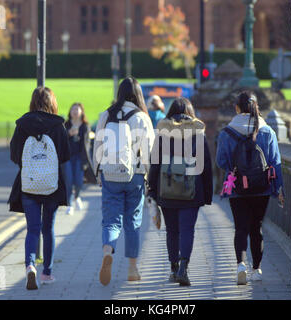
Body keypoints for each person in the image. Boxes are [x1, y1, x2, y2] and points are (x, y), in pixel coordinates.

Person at [216, 91, 285, 285]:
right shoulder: (267, 131)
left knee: (240, 228)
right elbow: (275, 162)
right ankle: (257, 269)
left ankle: (240, 265)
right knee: (256, 228)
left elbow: (221, 161)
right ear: (256, 108)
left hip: (237, 187)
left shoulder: (226, 132)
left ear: (237, 108)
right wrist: (279, 189)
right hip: (261, 187)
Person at [93, 77, 155, 286]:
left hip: (110, 174)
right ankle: (132, 268)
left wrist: (97, 172)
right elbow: (149, 152)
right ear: (137, 94)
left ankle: (108, 251)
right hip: (135, 175)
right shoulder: (142, 118)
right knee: (133, 222)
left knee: (111, 220)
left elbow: (98, 146)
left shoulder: (106, 115)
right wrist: (149, 177)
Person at [8, 87, 70, 290]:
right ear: (52, 101)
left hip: (29, 185)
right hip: (51, 185)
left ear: (33, 101)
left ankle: (30, 266)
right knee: (48, 228)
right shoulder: (58, 125)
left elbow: (15, 155)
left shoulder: (22, 125)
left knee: (32, 229)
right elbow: (65, 155)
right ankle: (47, 273)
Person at [147, 97, 213, 286]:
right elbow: (206, 165)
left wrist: (152, 189)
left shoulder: (163, 132)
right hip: (192, 191)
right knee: (187, 230)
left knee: (172, 231)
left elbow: (155, 163)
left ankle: (174, 268)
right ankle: (184, 267)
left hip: (166, 190)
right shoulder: (198, 133)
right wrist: (207, 195)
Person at [64, 103, 90, 215]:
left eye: (77, 109)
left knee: (79, 181)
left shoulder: (85, 126)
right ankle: (69, 205)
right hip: (68, 157)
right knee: (69, 180)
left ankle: (77, 197)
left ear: (81, 112)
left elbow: (87, 143)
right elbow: (60, 139)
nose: (74, 111)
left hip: (80, 157)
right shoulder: (66, 124)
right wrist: (68, 134)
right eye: (73, 109)